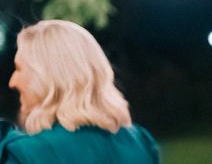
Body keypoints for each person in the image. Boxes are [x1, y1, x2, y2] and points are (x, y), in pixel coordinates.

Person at [0, 20, 159, 164]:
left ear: (45, 77)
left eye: (19, 69)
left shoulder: (28, 154)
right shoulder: (140, 143)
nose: (12, 82)